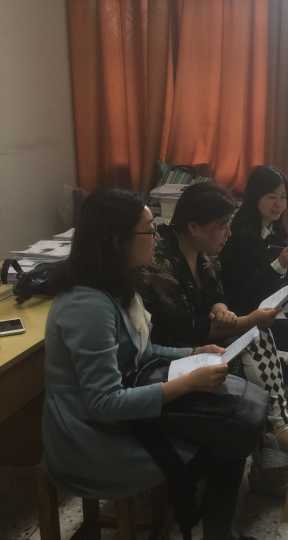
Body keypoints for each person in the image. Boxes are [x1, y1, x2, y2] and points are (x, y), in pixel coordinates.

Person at [42, 189, 246, 540]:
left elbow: (144, 351)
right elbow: (104, 403)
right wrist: (188, 382)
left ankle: (215, 530)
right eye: (149, 230)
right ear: (116, 240)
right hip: (89, 439)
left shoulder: (121, 285)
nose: (156, 237)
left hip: (118, 417)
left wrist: (194, 352)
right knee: (224, 439)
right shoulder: (88, 306)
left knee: (231, 423)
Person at [137, 182, 288, 452]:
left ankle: (276, 424)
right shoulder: (161, 261)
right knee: (255, 333)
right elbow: (187, 328)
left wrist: (221, 308)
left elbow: (216, 293)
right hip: (172, 349)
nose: (228, 233)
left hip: (200, 335)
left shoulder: (203, 253)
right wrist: (249, 320)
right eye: (222, 226)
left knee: (257, 335)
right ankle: (279, 424)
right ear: (194, 227)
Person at [220, 166, 288, 412]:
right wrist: (279, 265)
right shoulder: (241, 235)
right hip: (251, 313)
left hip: (277, 305)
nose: (278, 204)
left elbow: (279, 282)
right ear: (255, 197)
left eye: (283, 197)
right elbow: (248, 292)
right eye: (271, 197)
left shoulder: (275, 229)